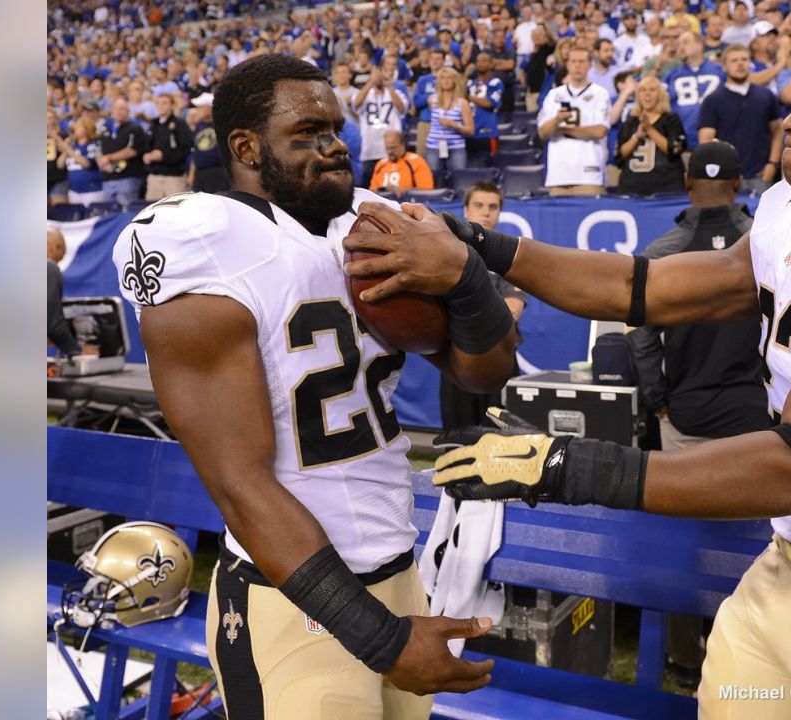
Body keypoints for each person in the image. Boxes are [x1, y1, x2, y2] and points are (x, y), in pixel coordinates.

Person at [350, 18, 791, 720]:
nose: (789, 123)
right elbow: (641, 289)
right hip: (785, 567)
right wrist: (482, 250)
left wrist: (565, 466)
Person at [113, 54, 519, 719]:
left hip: (398, 569)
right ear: (245, 147)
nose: (335, 146)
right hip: (295, 599)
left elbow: (486, 370)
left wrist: (469, 282)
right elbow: (239, 485)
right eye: (307, 132)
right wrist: (379, 639)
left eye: (336, 127)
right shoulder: (201, 245)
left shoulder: (377, 223)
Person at [627, 141, 769, 690]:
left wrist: (656, 394)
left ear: (686, 183)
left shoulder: (666, 247)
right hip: (753, 420)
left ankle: (687, 663)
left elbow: (640, 333)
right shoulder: (766, 245)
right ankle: (747, 664)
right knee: (754, 551)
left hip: (683, 415)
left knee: (686, 547)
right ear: (739, 185)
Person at [437, 181, 527, 431]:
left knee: (506, 448)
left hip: (500, 362)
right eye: (479, 205)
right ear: (466, 210)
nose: (486, 212)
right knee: (457, 447)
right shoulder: (445, 254)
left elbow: (512, 311)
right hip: (456, 363)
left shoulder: (512, 258)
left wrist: (465, 317)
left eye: (493, 206)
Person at [698, 45, 784, 192]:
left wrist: (772, 164)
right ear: (724, 66)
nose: (740, 63)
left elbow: (778, 131)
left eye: (744, 59)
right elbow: (706, 142)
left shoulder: (766, 95)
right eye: (734, 60)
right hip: (727, 178)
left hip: (761, 175)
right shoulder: (712, 100)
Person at [537, 45, 610, 196]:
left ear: (590, 64)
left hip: (589, 174)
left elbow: (600, 131)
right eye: (574, 61)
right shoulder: (553, 95)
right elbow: (543, 132)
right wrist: (557, 120)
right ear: (567, 64)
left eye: (582, 61)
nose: (577, 65)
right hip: (559, 175)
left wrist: (564, 129)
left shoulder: (600, 93)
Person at [615, 75, 687, 195]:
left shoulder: (671, 119)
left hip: (666, 188)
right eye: (643, 90)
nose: (647, 94)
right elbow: (618, 156)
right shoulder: (630, 122)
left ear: (660, 95)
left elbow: (675, 150)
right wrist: (637, 136)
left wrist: (650, 130)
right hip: (632, 188)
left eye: (652, 90)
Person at [353, 57, 410, 182]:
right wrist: (370, 82)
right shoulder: (365, 92)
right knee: (368, 186)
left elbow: (402, 109)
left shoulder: (397, 93)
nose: (379, 77)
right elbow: (356, 104)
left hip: (390, 149)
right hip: (369, 149)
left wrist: (389, 86)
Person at [664, 32, 724, 149]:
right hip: (683, 143)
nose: (680, 47)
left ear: (699, 45)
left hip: (718, 141)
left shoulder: (720, 70)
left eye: (685, 42)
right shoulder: (671, 75)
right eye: (679, 43)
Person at [142, 94, 195, 200]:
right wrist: (146, 156)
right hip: (154, 177)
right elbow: (146, 146)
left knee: (175, 212)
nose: (160, 106)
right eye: (158, 103)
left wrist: (164, 156)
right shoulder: (153, 125)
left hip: (174, 177)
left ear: (172, 105)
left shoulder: (180, 124)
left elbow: (186, 148)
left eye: (164, 103)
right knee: (153, 212)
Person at [424, 66, 474, 177]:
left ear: (455, 81)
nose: (446, 81)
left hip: (456, 147)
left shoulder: (462, 103)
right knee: (434, 179)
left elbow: (470, 130)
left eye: (449, 78)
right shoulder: (432, 100)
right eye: (443, 78)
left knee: (459, 178)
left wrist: (455, 125)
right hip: (433, 146)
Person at [98, 98, 149, 206]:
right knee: (110, 213)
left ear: (128, 111)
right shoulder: (105, 128)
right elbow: (98, 149)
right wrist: (102, 163)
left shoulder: (135, 128)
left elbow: (132, 150)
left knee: (126, 212)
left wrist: (108, 158)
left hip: (127, 177)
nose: (118, 111)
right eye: (116, 108)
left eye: (122, 108)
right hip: (108, 178)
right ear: (111, 110)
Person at [369, 130, 436, 196]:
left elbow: (427, 190)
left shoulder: (416, 161)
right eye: (387, 148)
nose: (390, 152)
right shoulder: (380, 164)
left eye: (393, 148)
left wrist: (401, 191)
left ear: (402, 145)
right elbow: (372, 191)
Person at [187, 93, 230, 194]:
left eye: (201, 107)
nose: (197, 110)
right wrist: (191, 175)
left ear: (210, 108)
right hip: (200, 174)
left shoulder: (221, 125)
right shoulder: (199, 125)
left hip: (218, 173)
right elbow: (195, 151)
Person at [57, 118, 107, 206]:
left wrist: (68, 149)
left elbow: (86, 164)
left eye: (79, 126)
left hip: (91, 190)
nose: (75, 129)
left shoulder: (93, 145)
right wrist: (66, 148)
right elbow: (60, 165)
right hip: (74, 190)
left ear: (87, 130)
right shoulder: (72, 147)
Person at [47, 228, 80, 358]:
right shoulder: (48, 267)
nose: (58, 265)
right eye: (59, 259)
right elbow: (52, 324)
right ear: (56, 247)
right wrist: (76, 352)